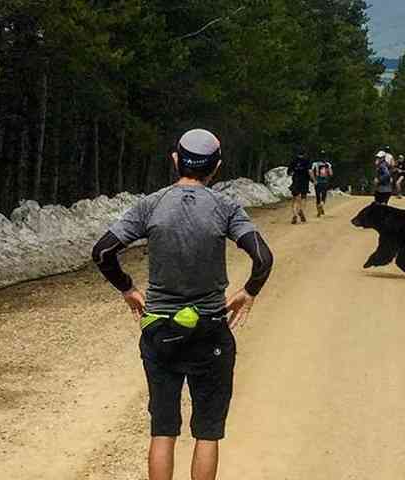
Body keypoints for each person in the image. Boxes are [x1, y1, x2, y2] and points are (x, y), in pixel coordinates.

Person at [92, 129, 274, 480]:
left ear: (175, 160)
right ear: (216, 167)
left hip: (160, 330)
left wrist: (128, 288)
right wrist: (249, 292)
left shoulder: (151, 205)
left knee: (163, 428)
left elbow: (102, 252)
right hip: (210, 331)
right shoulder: (226, 208)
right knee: (207, 431)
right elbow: (263, 258)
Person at [287, 149, 313, 224]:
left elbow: (289, 172)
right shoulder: (307, 161)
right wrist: (313, 179)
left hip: (296, 181)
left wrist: (295, 173)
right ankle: (300, 210)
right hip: (304, 182)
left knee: (295, 199)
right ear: (304, 154)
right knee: (303, 198)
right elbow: (310, 171)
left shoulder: (293, 161)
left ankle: (295, 214)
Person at [311, 150, 333, 217]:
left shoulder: (315, 164)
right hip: (325, 182)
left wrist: (314, 180)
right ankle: (322, 205)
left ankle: (319, 211)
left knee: (318, 197)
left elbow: (311, 172)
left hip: (317, 182)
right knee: (323, 196)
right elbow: (331, 173)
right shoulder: (328, 164)